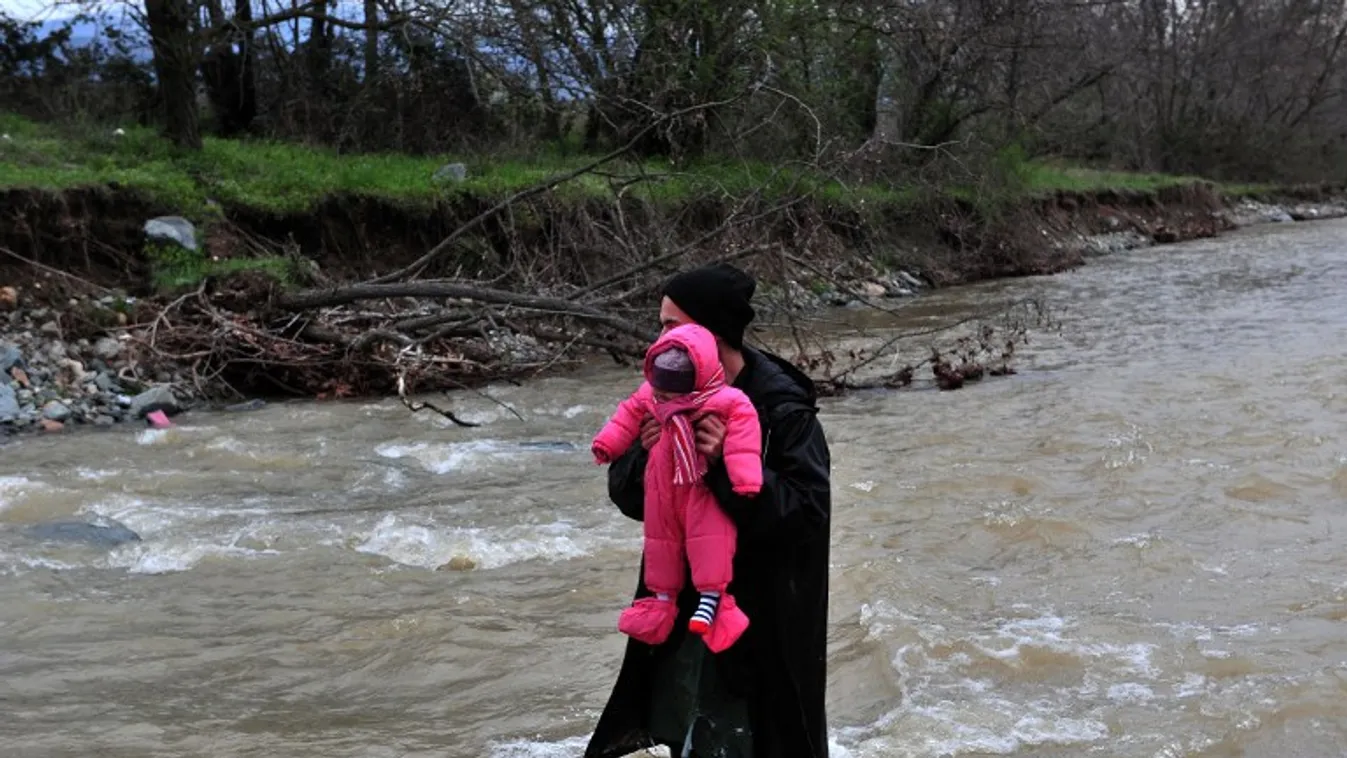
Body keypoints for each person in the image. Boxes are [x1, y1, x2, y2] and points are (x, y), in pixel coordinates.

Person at [585, 262, 833, 758]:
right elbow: (629, 498)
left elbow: (807, 516)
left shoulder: (782, 410)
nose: (660, 339)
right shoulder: (664, 395)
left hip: (761, 622)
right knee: (683, 735)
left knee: (756, 740)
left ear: (709, 334)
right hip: (683, 614)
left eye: (670, 325)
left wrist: (723, 466)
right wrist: (646, 456)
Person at [591, 323, 763, 652]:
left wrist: (742, 478)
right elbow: (625, 417)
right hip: (661, 490)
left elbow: (744, 441)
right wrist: (611, 446)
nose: (662, 401)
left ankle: (715, 604)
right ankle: (659, 603)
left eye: (670, 323)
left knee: (711, 541)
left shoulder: (728, 400)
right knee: (659, 544)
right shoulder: (652, 395)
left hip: (702, 491)